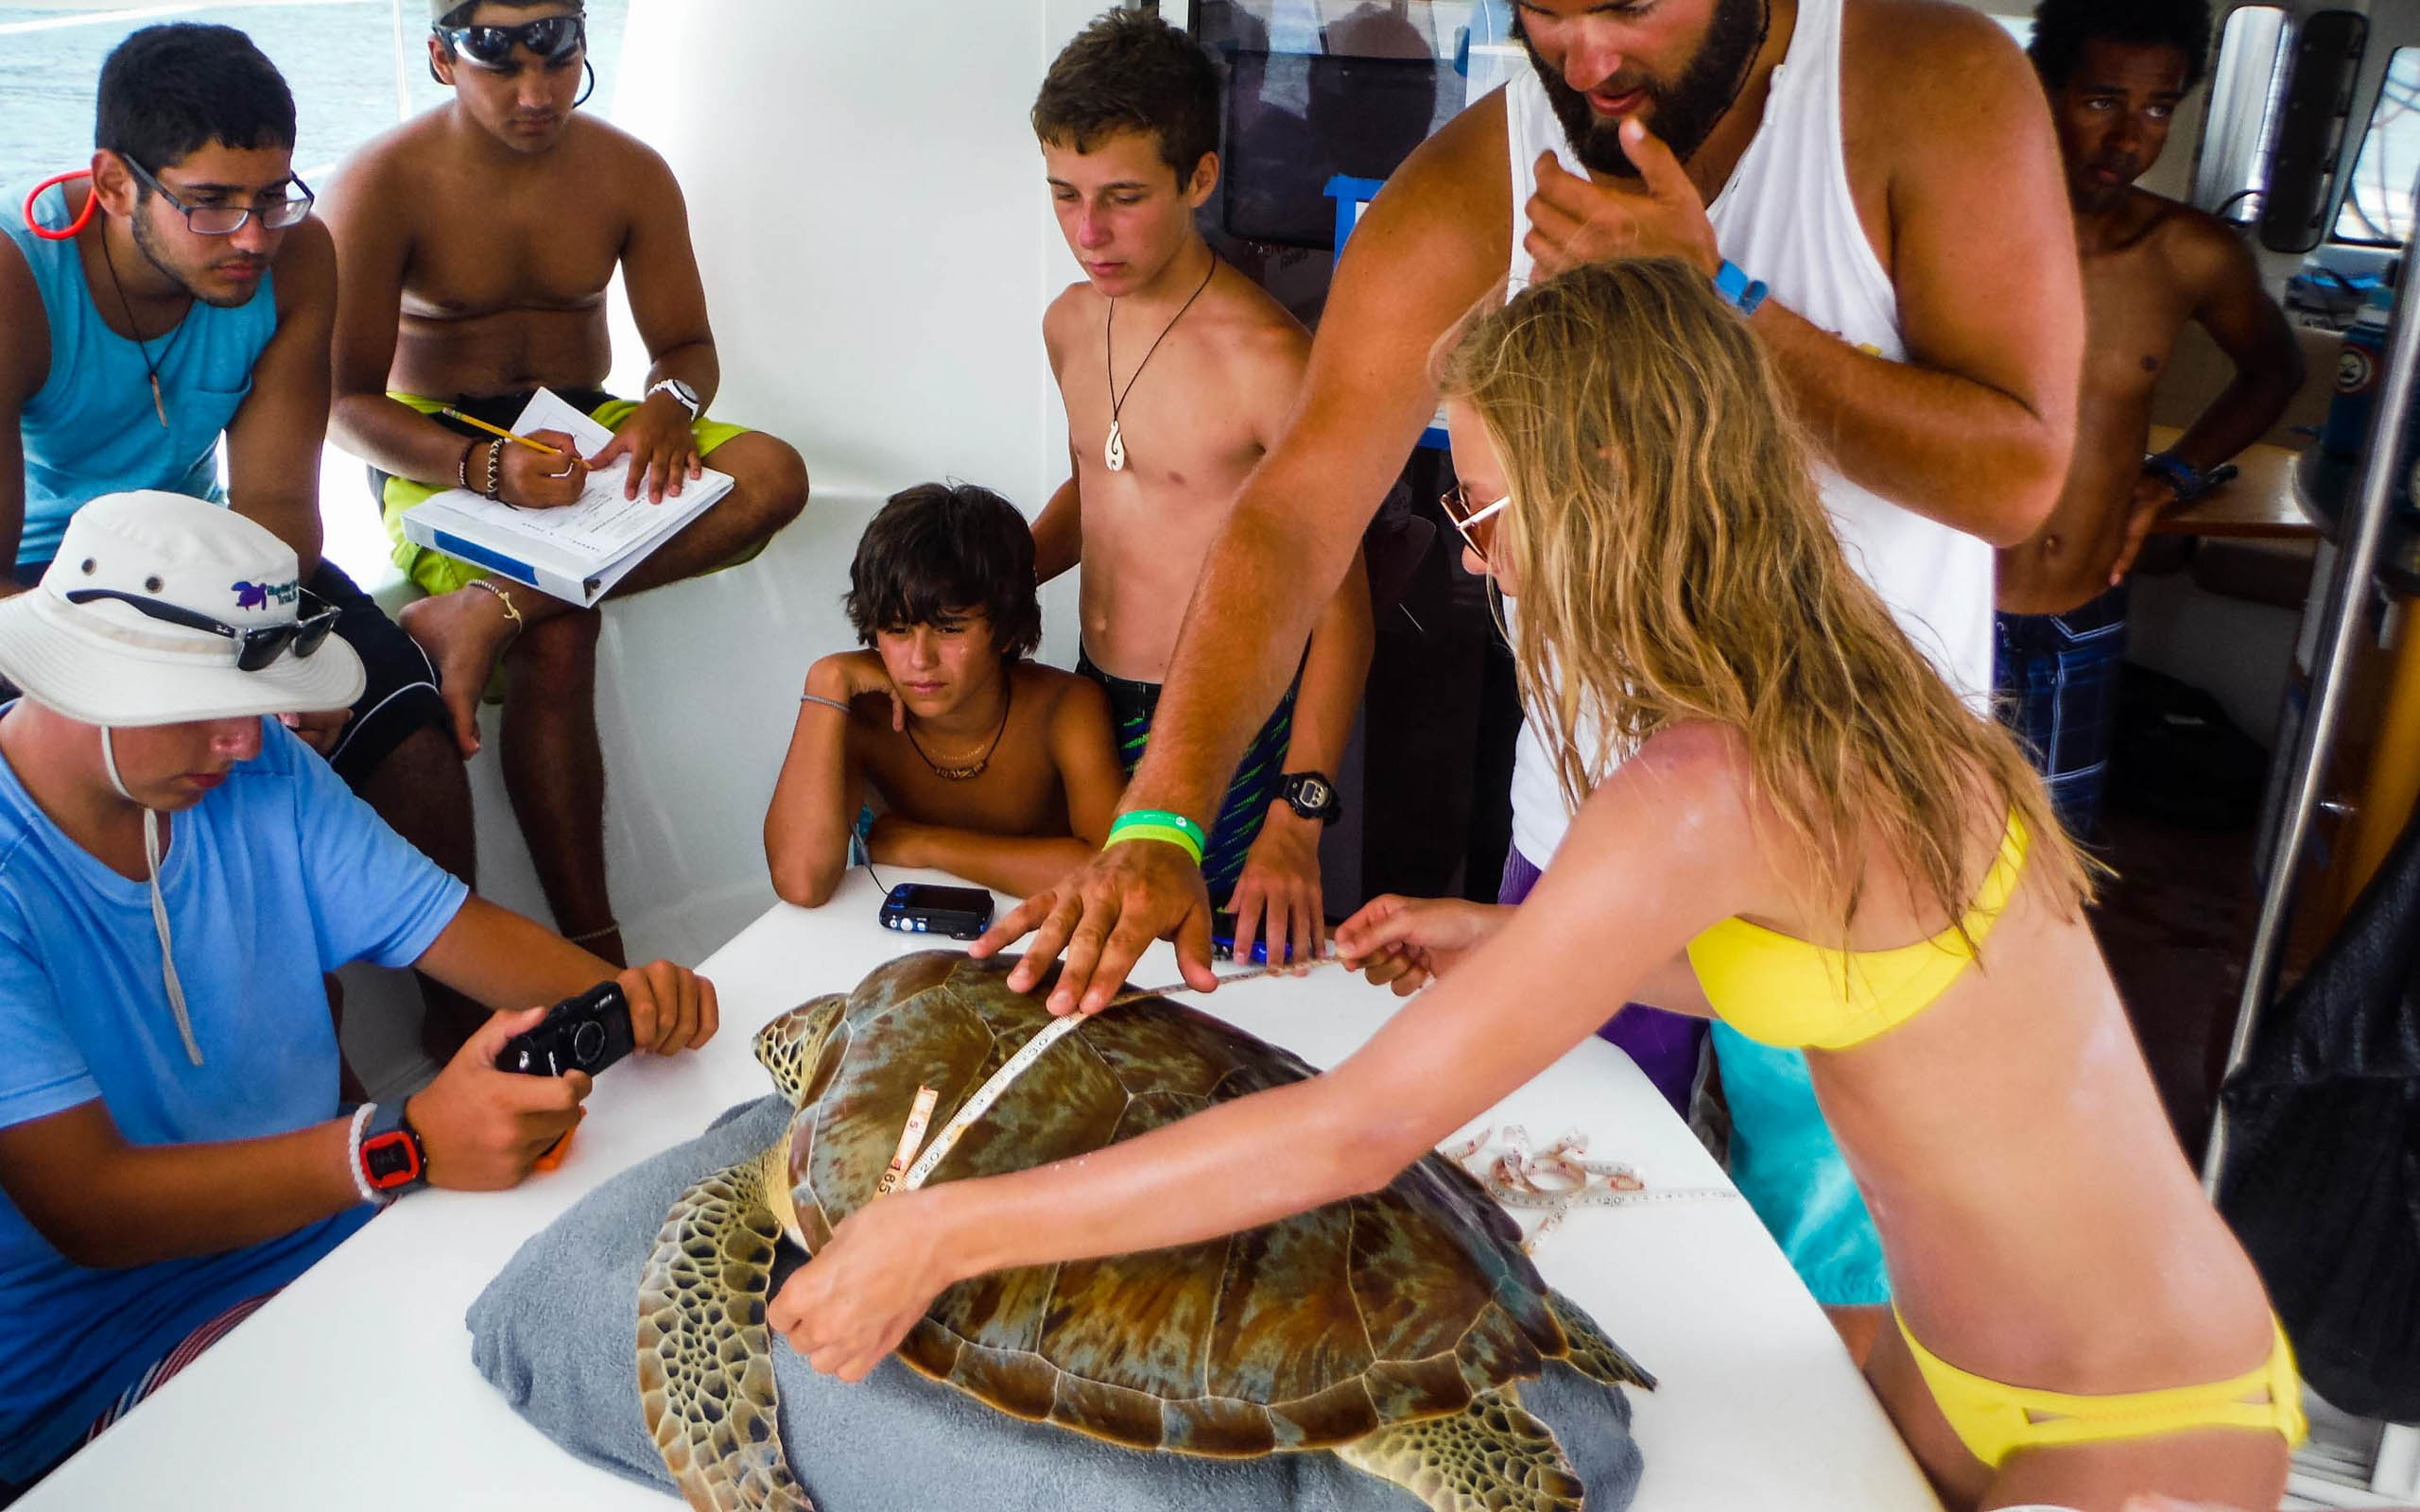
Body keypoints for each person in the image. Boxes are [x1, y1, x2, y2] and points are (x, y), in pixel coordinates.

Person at [772, 264, 2302, 1512]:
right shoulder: (1841, 682)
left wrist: (941, 1234)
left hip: (2126, 1428)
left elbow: (1352, 1132)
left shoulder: (1702, 787)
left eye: (1481, 510)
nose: (1476, 563)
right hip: (1954, 1349)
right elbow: (1862, 985)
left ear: (1612, 484)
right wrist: (1515, 940)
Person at [980, 0, 2083, 1333]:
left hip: (1863, 861)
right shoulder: (1476, 183)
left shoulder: (1932, 83)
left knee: (1850, 1315)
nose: (1590, 59)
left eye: (1626, 5)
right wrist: (1165, 812)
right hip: (1589, 842)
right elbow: (1293, 513)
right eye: (1547, 11)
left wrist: (1724, 298)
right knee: (1552, 1270)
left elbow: (2021, 481)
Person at [0, 490, 717, 1497]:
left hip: (327, 1237)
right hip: (105, 1357)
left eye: (255, 709)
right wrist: (403, 1143)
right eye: (210, 708)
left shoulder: (260, 773)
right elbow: (90, 1207)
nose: (247, 744)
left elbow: (457, 933)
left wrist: (641, 1004)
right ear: (95, 680)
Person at [0, 23, 476, 1046]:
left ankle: (466, 1034)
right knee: (169, 789)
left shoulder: (297, 261)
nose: (252, 236)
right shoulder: (15, 278)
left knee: (403, 717)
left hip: (218, 564)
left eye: (270, 196)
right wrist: (206, 689)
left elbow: (277, 517)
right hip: (46, 587)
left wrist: (258, 662)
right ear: (114, 186)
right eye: (209, 204)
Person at [324, 0, 810, 987]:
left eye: (558, 61)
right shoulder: (382, 182)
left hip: (589, 425)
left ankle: (490, 606)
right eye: (500, 67)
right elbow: (340, 406)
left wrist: (667, 410)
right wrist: (481, 466)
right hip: (441, 439)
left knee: (774, 474)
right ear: (440, 57)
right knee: (561, 638)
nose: (536, 94)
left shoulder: (627, 171)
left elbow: (685, 350)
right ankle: (595, 944)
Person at [1027, 10, 1373, 968]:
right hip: (1091, 707)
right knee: (1093, 972)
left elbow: (1339, 611)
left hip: (1232, 728)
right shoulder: (1066, 323)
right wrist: (993, 577)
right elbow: (1096, 487)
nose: (1088, 232)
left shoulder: (1267, 360)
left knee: (1205, 982)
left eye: (1124, 197)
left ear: (1201, 178)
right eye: (1064, 195)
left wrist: (1297, 818)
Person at [1996, 0, 2304, 839]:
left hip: (2081, 609)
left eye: (2158, 108)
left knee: (2051, 874)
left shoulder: (2190, 254)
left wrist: (2170, 479)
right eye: (2102, 101)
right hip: (1937, 607)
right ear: (2042, 88)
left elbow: (2274, 372)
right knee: (1893, 861)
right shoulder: (1959, 228)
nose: (2130, 139)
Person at [765, 484, 1125, 905]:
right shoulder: (858, 715)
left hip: (1045, 934)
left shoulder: (1065, 706)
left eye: (950, 629)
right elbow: (801, 883)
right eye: (897, 631)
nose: (920, 659)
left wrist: (925, 844)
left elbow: (1111, 873)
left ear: (1006, 628)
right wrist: (824, 681)